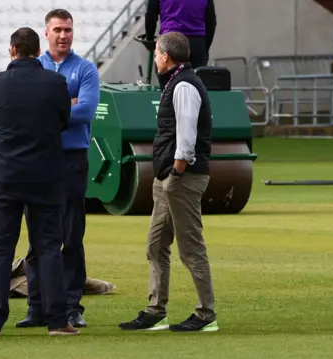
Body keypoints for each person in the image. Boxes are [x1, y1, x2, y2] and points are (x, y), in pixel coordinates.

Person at [0, 27, 79, 337]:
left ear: (12, 50)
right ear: (38, 52)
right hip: (45, 176)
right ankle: (58, 320)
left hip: (6, 177)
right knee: (48, 247)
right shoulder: (55, 82)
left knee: (1, 250)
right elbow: (64, 121)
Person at [118, 32, 219, 333]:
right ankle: (155, 310)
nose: (156, 58)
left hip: (182, 178)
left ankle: (206, 314)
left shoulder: (184, 85)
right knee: (156, 244)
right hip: (171, 177)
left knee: (191, 248)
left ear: (165, 55)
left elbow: (186, 136)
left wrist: (176, 172)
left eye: (158, 53)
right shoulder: (179, 81)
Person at [16, 8, 100, 329]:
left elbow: (87, 111)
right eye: (57, 30)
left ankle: (71, 306)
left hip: (71, 158)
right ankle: (36, 305)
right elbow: (23, 108)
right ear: (46, 33)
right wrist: (69, 103)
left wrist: (48, 111)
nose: (63, 35)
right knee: (37, 234)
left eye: (68, 29)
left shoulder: (86, 69)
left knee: (71, 234)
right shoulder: (33, 67)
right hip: (39, 158)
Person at [144, 0, 217, 68]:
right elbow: (211, 22)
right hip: (196, 43)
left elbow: (150, 17)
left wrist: (149, 39)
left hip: (170, 40)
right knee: (197, 78)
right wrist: (204, 47)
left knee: (168, 78)